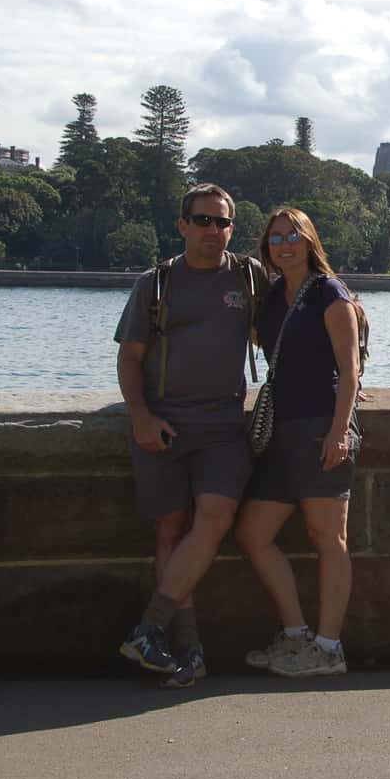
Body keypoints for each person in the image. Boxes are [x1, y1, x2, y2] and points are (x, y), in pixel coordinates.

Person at [115, 183, 266, 688]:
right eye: (202, 221)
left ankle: (148, 629)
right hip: (165, 424)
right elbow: (130, 358)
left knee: (215, 520)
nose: (212, 231)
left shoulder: (248, 278)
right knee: (170, 532)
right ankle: (187, 650)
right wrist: (139, 415)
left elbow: (297, 321)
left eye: (222, 222)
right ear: (182, 226)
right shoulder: (154, 285)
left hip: (224, 426)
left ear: (232, 228)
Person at [236, 206, 362, 678]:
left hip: (319, 427)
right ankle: (295, 636)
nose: (284, 244)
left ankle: (328, 649)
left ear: (310, 240)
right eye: (275, 237)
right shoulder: (271, 297)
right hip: (280, 431)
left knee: (328, 538)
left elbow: (350, 370)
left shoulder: (330, 293)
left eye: (293, 235)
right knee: (253, 534)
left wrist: (338, 431)